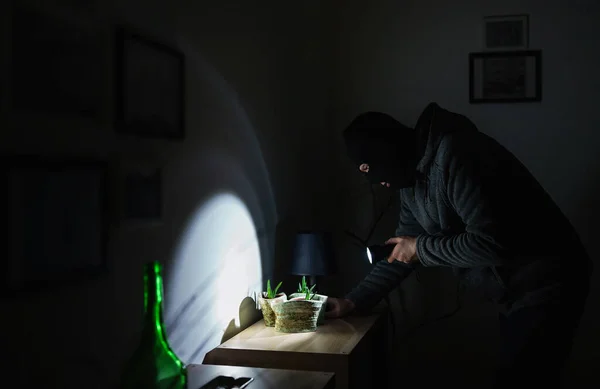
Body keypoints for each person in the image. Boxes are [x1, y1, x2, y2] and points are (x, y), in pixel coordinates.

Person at [325, 102, 592, 388]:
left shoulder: (456, 153)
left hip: (547, 279)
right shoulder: (409, 180)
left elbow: (490, 242)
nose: (380, 184)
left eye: (376, 172)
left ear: (389, 152)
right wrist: (354, 300)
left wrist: (421, 249)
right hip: (512, 291)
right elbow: (403, 251)